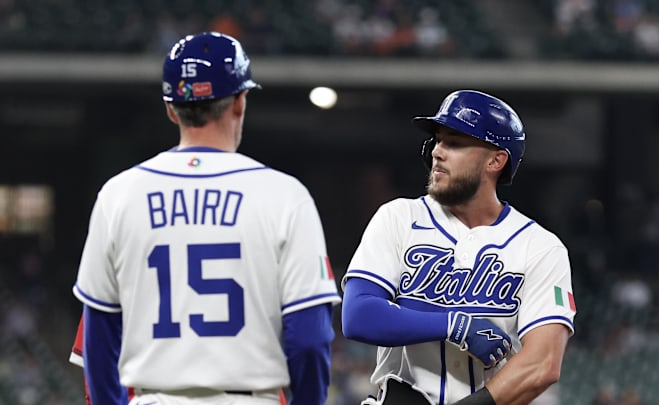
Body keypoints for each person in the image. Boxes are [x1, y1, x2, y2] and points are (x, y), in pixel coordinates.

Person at [71, 31, 341, 405]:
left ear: (170, 108)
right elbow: (309, 340)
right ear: (240, 102)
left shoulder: (119, 194)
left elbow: (98, 340)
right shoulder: (284, 195)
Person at [341, 90, 576, 405]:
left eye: (454, 142)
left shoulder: (540, 247)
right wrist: (453, 324)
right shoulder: (399, 218)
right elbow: (358, 315)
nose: (438, 151)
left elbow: (543, 363)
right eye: (437, 140)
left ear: (496, 160)